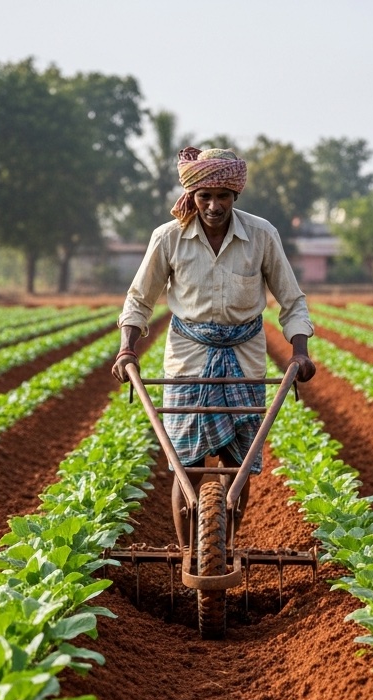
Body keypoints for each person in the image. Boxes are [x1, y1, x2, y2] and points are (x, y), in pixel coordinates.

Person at [113, 146, 315, 542]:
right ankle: (191, 550)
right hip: (188, 358)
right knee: (185, 465)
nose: (214, 206)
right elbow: (139, 299)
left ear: (235, 197)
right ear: (192, 197)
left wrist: (300, 353)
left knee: (237, 464)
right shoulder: (168, 238)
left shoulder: (261, 235)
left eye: (223, 196)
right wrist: (126, 348)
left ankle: (224, 544)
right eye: (205, 197)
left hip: (244, 355)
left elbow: (291, 300)